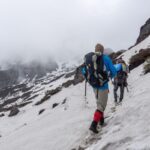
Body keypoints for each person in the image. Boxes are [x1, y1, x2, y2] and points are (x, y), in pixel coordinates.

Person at [82, 43, 117, 134]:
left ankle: (101, 121)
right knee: (101, 105)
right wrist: (109, 77)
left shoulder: (90, 58)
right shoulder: (105, 58)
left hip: (94, 85)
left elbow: (84, 70)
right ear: (102, 50)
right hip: (103, 85)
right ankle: (94, 124)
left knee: (99, 102)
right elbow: (113, 71)